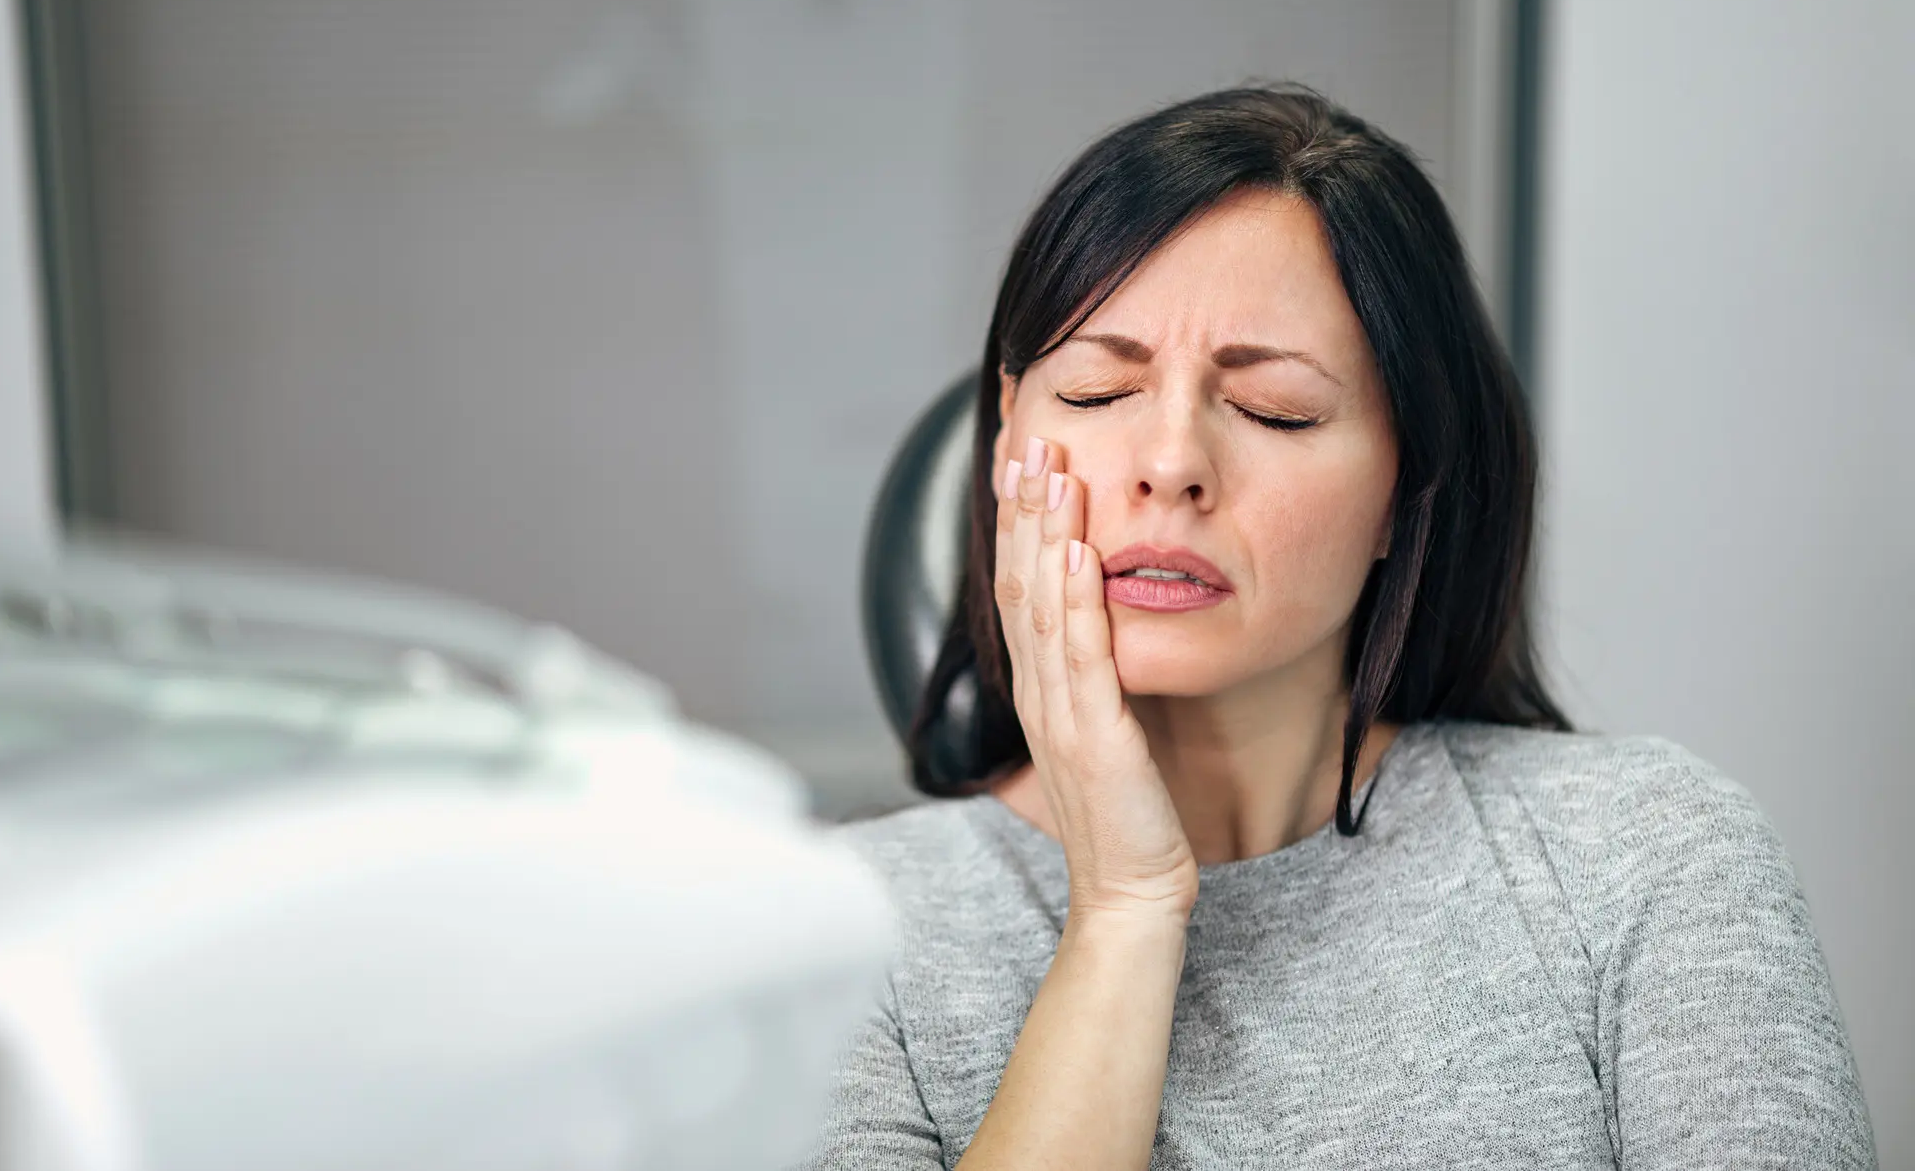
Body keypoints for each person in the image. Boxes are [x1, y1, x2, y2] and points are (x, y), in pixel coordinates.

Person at [799, 86, 1876, 1169]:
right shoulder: (831, 935)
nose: (1170, 464)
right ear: (1004, 442)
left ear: (1403, 491)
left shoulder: (1646, 857)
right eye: (1093, 392)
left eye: (1277, 412)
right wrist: (1123, 913)